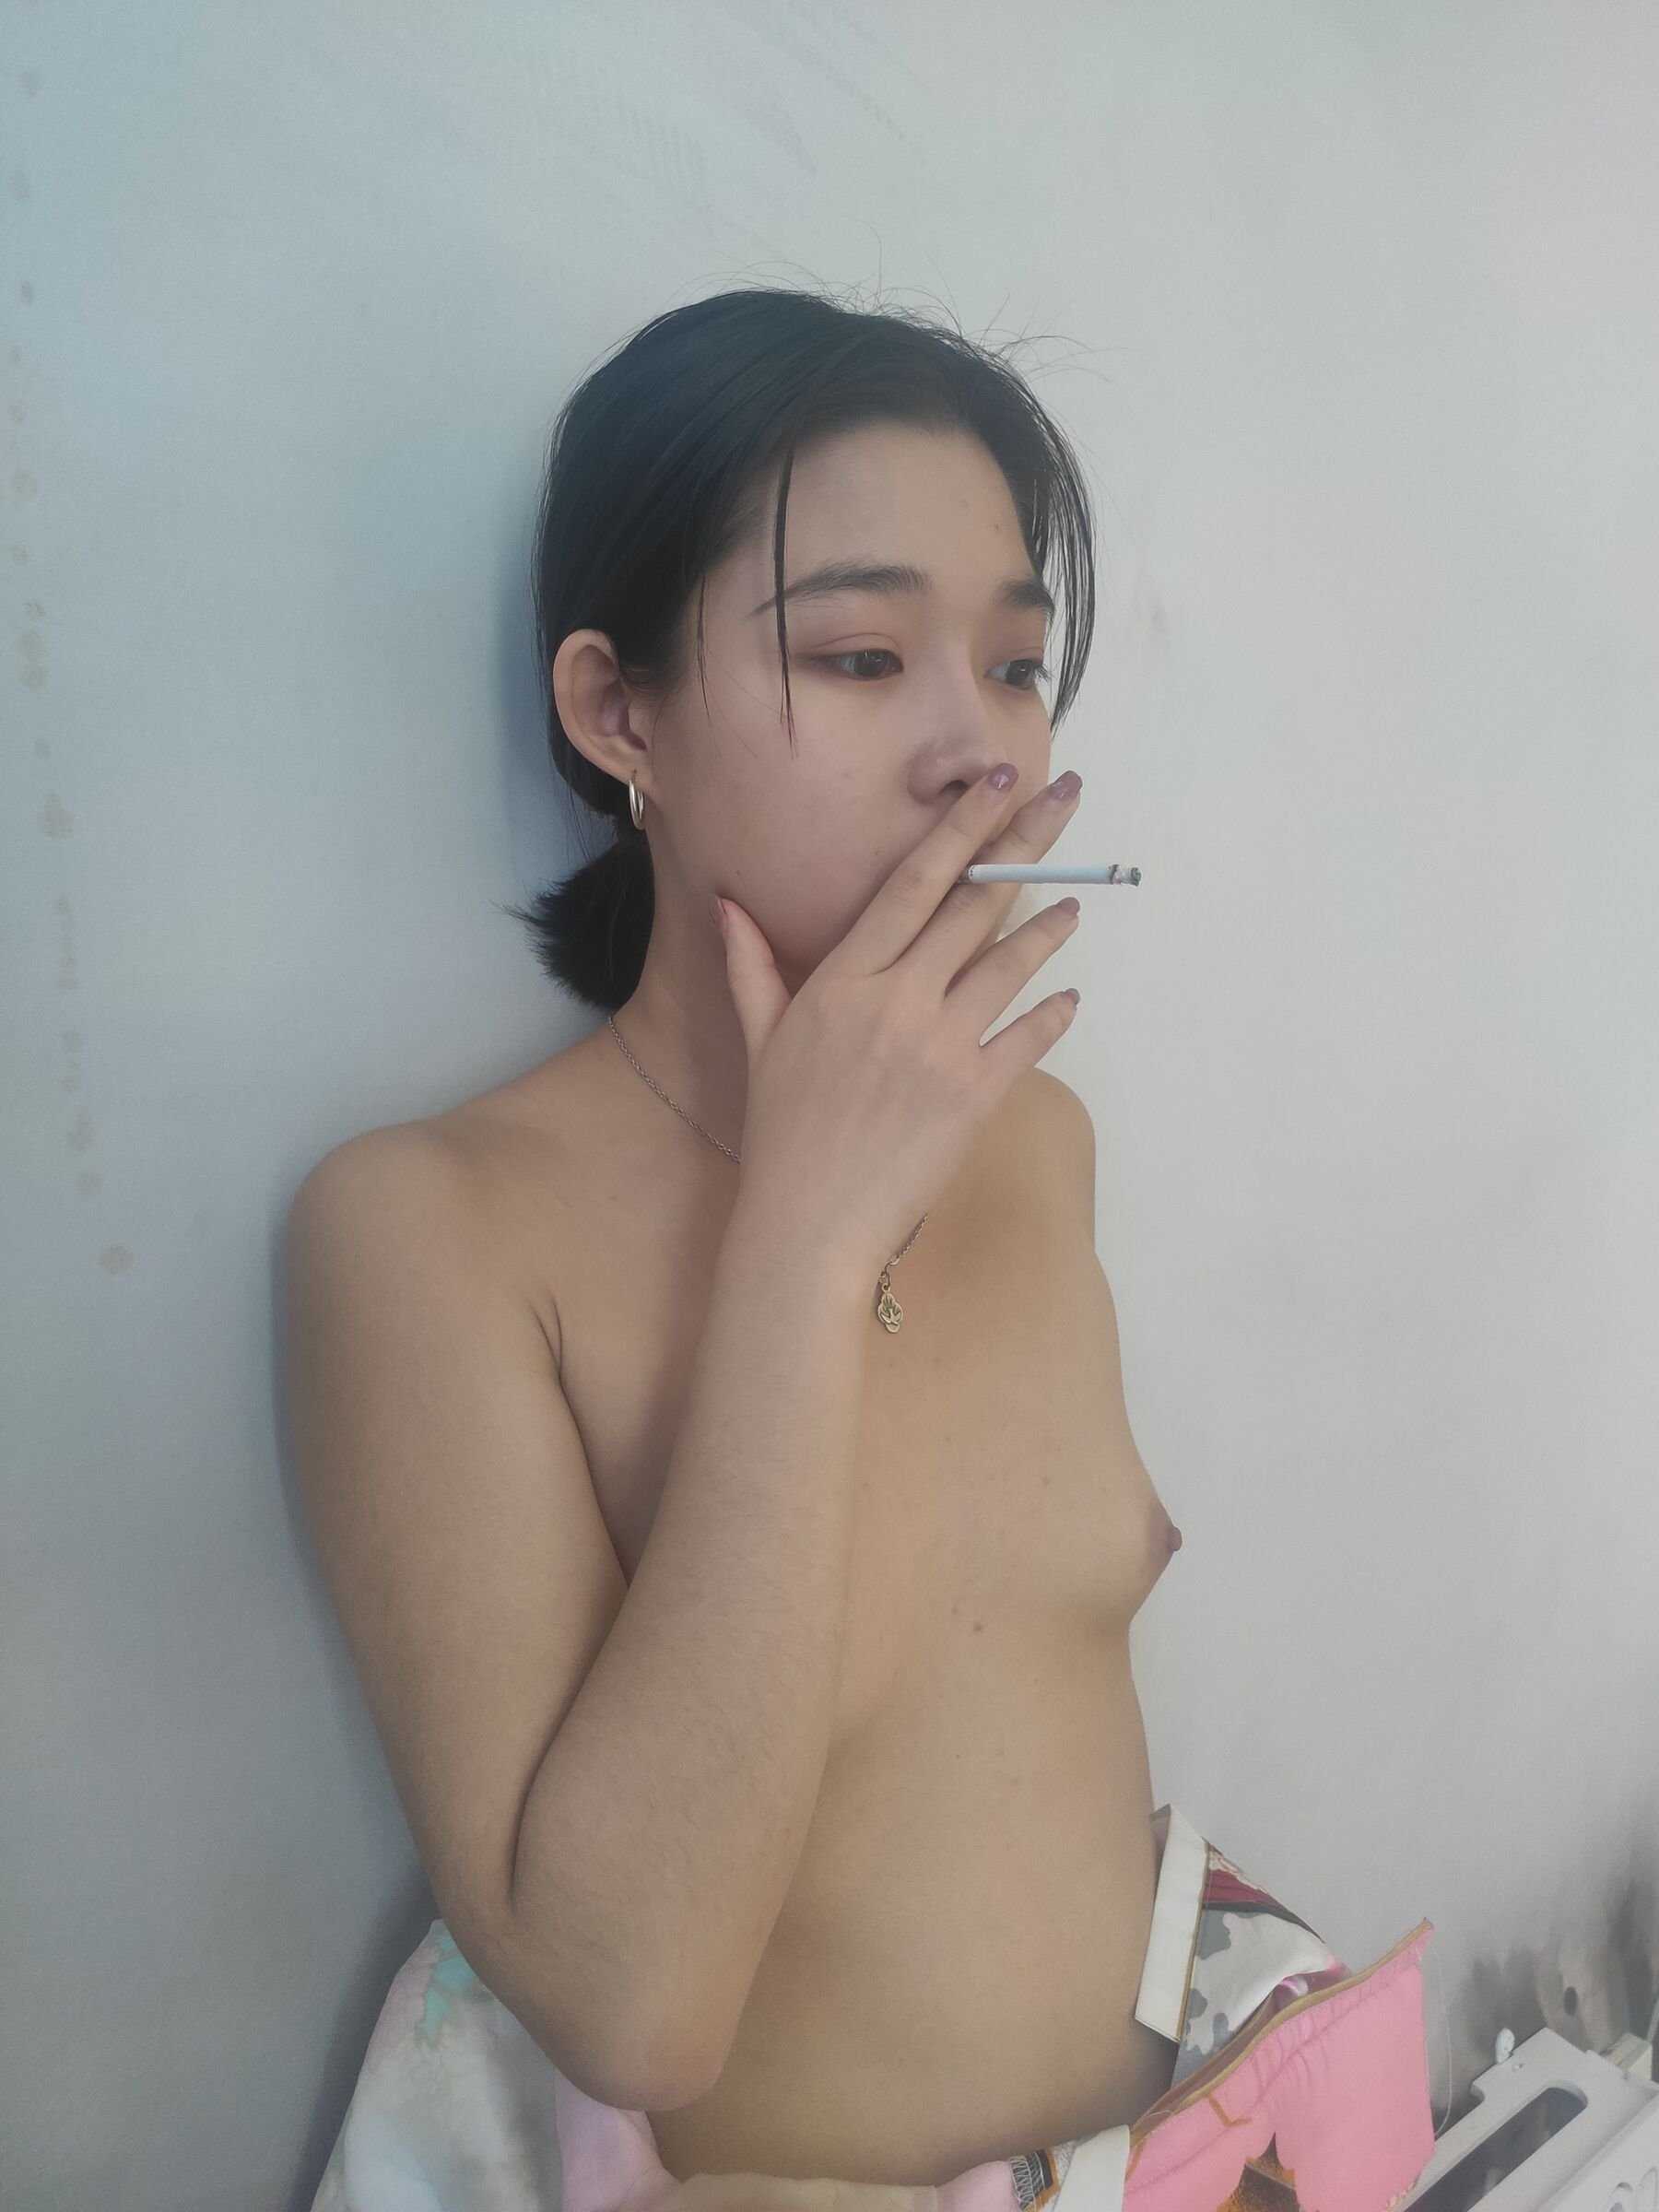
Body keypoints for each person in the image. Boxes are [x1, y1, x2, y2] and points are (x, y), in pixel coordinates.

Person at [286, 286, 1436, 2212]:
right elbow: (635, 2009)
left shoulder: (1038, 1138)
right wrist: (801, 1249)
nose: (979, 750)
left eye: (1016, 663)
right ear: (616, 712)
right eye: (862, 653)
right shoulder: (429, 1233)